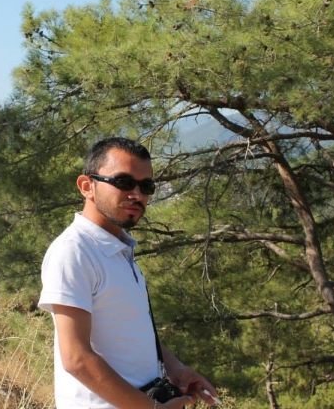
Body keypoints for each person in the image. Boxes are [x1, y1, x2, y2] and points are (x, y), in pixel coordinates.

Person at [39, 137, 218, 408]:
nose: (137, 194)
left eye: (146, 186)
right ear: (87, 186)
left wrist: (176, 368)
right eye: (123, 182)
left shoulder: (120, 249)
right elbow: (76, 358)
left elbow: (128, 330)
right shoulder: (74, 250)